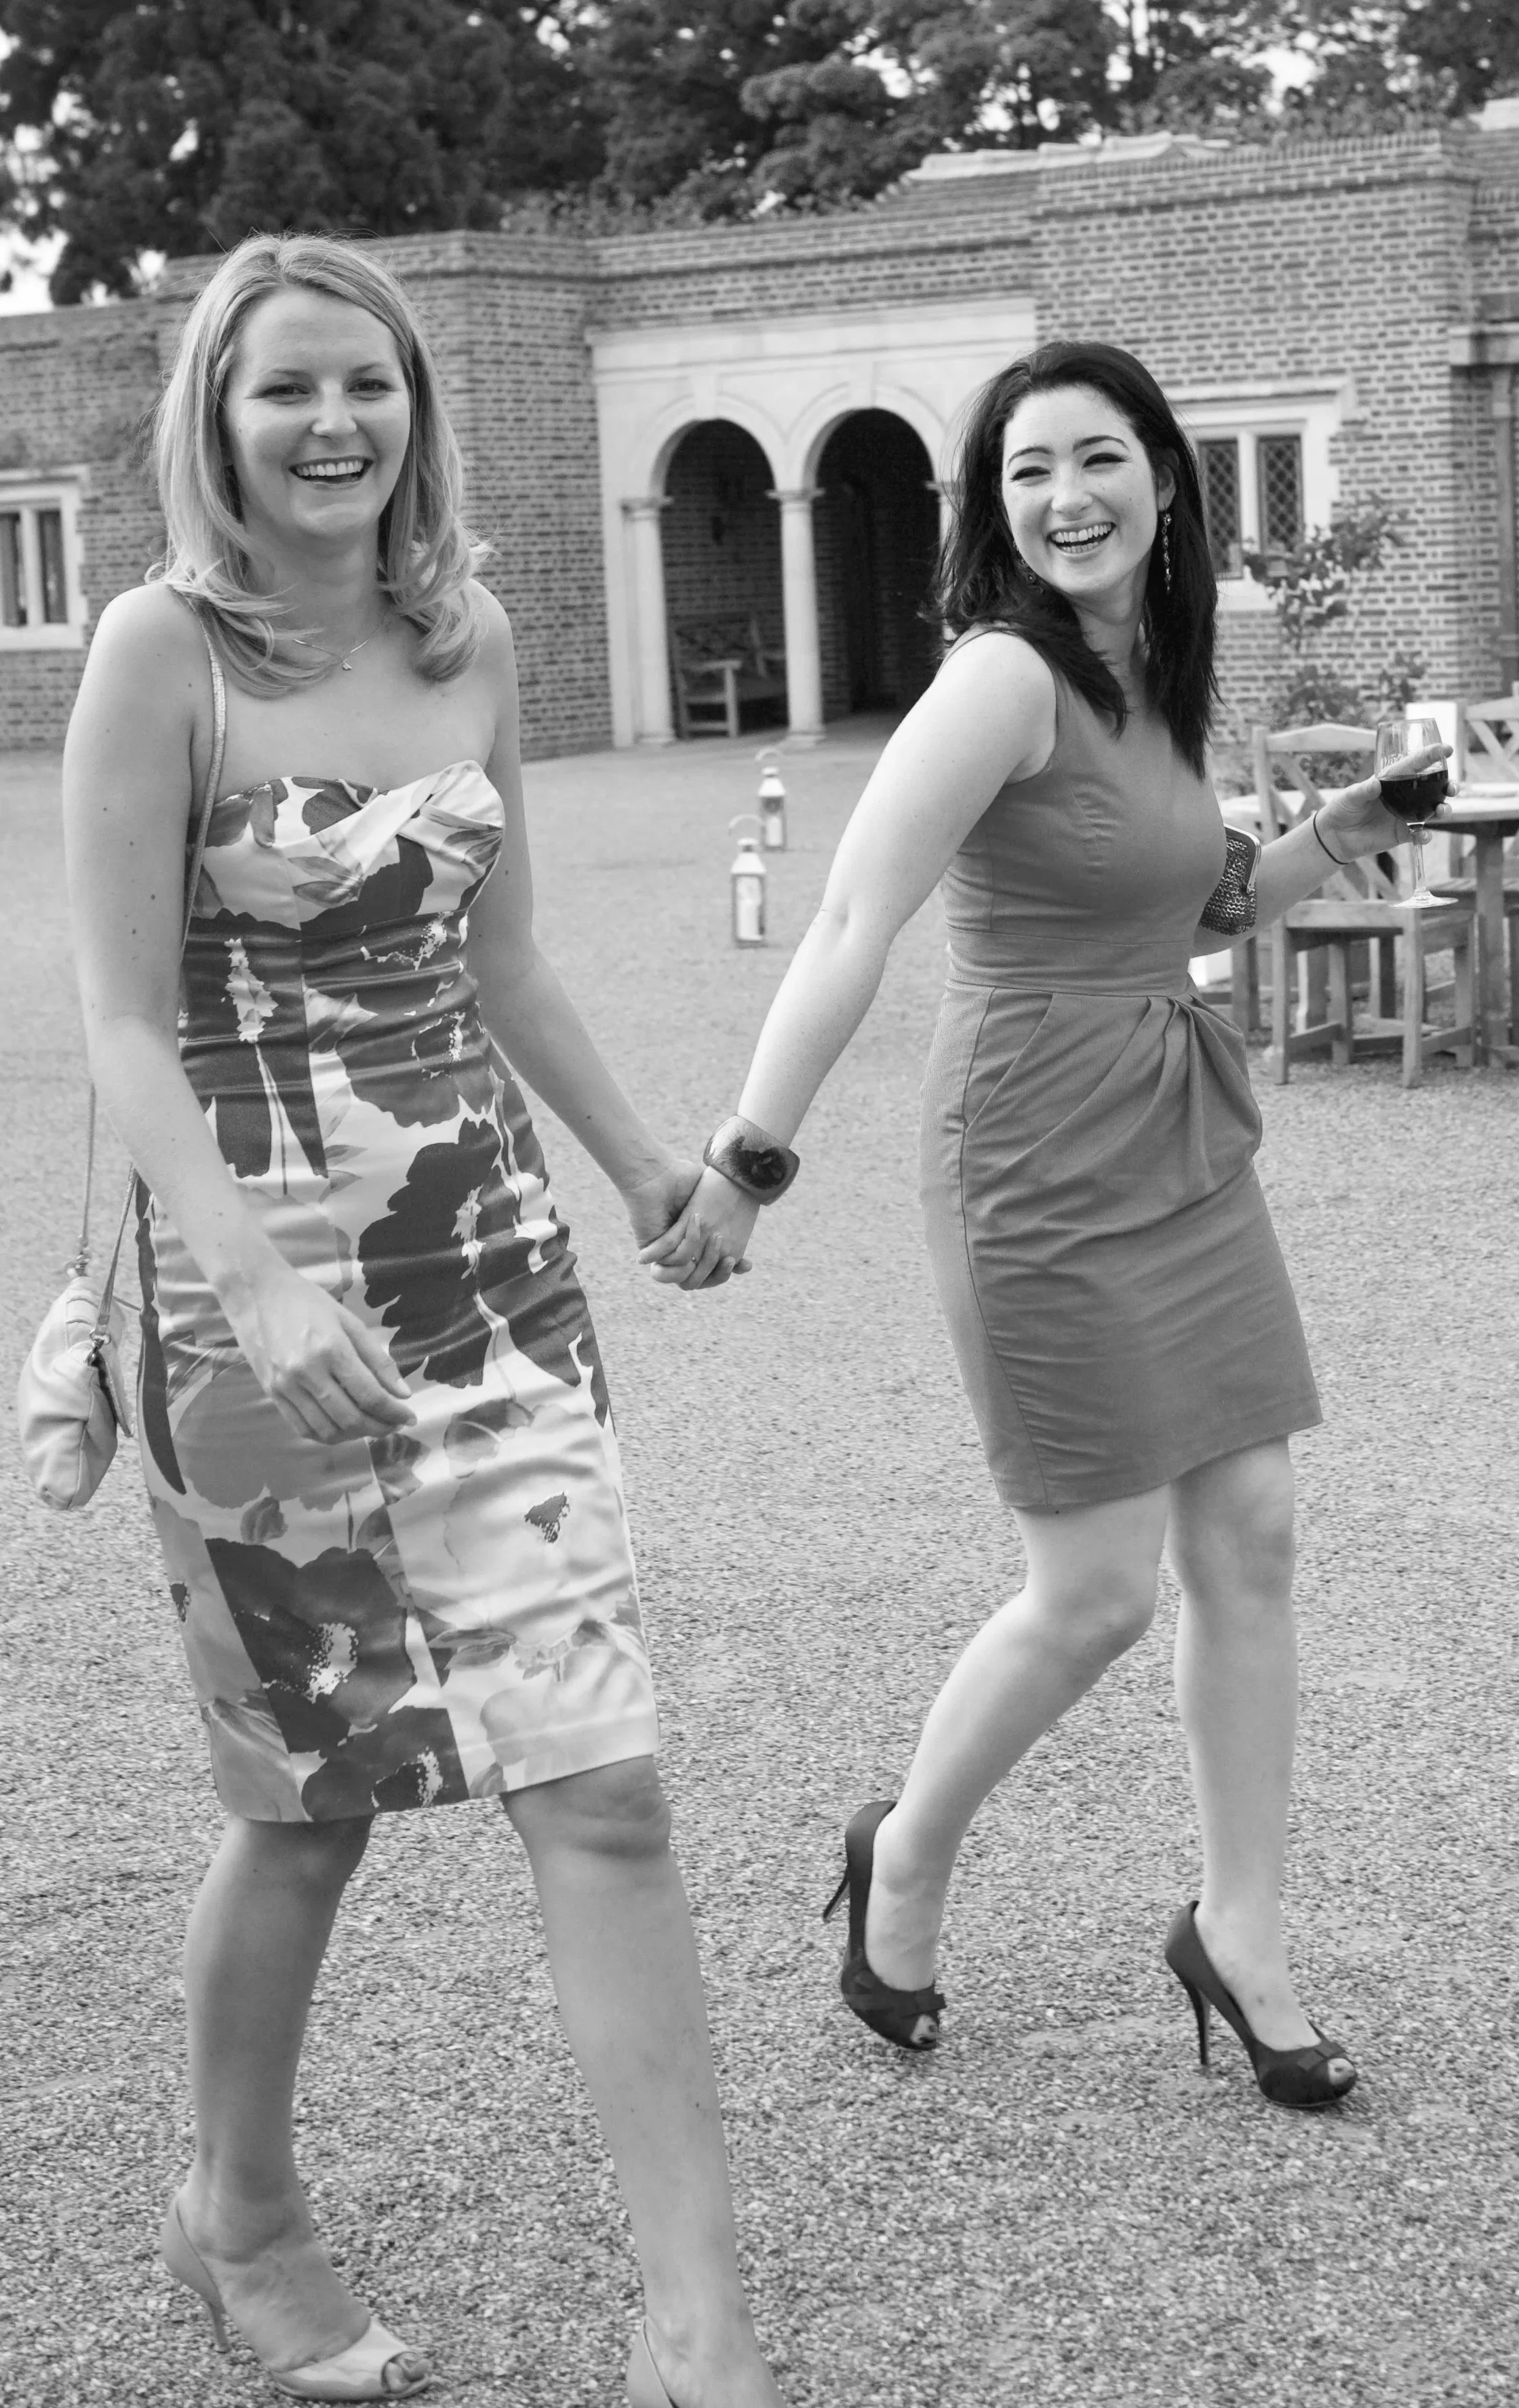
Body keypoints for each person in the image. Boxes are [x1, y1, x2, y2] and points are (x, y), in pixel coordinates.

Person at [62, 233, 776, 2408]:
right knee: (315, 1800)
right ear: (218, 416)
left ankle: (699, 2328)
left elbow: (508, 965)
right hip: (249, 1313)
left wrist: (651, 1165)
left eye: (364, 385)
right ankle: (239, 2211)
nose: (332, 425)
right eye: (283, 390)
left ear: (416, 407)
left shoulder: (469, 644)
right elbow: (115, 1027)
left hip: (493, 1285)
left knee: (608, 1790)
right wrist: (259, 1280)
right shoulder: (159, 653)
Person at [646, 339, 1446, 2112]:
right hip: (1031, 1165)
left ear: (1164, 477)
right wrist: (747, 1162)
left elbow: (1210, 895)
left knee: (1250, 1544)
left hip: (1179, 1136)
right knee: (1089, 1594)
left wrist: (1353, 822)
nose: (1067, 497)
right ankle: (907, 1855)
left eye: (1098, 459)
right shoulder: (1000, 678)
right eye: (1027, 472)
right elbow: (853, 915)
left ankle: (1241, 1926)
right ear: (993, 510)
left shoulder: (1151, 667)